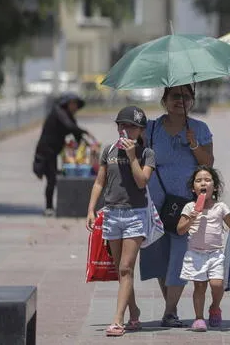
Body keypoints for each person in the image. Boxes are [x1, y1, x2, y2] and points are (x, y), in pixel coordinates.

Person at [139, 84, 214, 328]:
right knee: (160, 257)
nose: (179, 101)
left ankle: (169, 311)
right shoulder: (151, 128)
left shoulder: (200, 129)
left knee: (181, 257)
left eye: (185, 96)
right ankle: (170, 310)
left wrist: (194, 144)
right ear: (164, 100)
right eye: (174, 96)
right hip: (155, 203)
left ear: (192, 101)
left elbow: (208, 165)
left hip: (186, 204)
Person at [85, 106, 154, 337]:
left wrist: (133, 156)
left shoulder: (147, 153)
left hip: (135, 214)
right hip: (112, 213)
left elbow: (142, 181)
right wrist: (91, 209)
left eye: (132, 126)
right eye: (122, 125)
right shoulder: (109, 151)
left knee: (126, 268)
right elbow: (99, 182)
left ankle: (117, 320)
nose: (126, 130)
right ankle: (134, 311)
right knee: (120, 269)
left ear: (141, 130)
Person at [176, 166, 230, 331]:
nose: (203, 183)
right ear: (193, 188)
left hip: (215, 254)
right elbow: (180, 229)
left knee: (217, 284)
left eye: (207, 180)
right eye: (198, 181)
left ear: (215, 187)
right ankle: (199, 318)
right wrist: (191, 219)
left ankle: (215, 307)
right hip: (196, 254)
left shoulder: (220, 207)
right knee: (199, 286)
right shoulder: (189, 207)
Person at [33, 92, 92, 216]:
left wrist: (87, 144)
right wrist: (85, 132)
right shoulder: (58, 112)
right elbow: (70, 127)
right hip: (46, 151)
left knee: (54, 177)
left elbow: (77, 134)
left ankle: (53, 207)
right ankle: (49, 207)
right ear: (67, 104)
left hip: (54, 152)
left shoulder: (69, 115)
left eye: (76, 105)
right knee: (52, 179)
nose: (75, 107)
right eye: (73, 104)